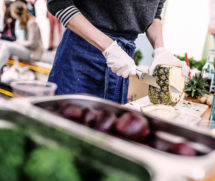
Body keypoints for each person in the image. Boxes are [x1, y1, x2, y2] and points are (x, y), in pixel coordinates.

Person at [46, 0, 189, 104]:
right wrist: (109, 47)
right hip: (81, 53)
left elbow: (154, 14)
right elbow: (58, 3)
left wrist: (160, 49)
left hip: (123, 58)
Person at [0, 1, 44, 67]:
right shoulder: (19, 21)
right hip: (24, 48)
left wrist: (18, 42)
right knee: (1, 43)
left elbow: (33, 44)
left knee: (6, 46)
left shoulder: (31, 23)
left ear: (15, 12)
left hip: (32, 53)